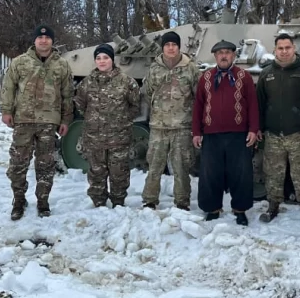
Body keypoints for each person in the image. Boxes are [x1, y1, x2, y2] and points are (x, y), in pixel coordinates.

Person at [0, 24, 74, 220]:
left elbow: (67, 94)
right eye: (40, 38)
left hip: (49, 123)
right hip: (23, 120)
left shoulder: (62, 65)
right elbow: (8, 87)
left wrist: (66, 119)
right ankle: (18, 200)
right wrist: (6, 110)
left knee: (46, 164)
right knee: (18, 163)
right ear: (34, 40)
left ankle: (43, 202)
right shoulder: (20, 62)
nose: (43, 41)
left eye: (47, 38)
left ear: (52, 41)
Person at [192, 40, 259, 225]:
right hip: (211, 134)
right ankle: (212, 208)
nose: (223, 56)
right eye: (220, 53)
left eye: (227, 53)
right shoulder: (205, 78)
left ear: (233, 56)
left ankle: (240, 209)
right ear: (215, 56)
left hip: (238, 134)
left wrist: (253, 129)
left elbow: (253, 105)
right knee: (210, 173)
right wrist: (196, 132)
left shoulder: (244, 77)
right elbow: (198, 106)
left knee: (240, 174)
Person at [256, 33, 300, 224]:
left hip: (298, 133)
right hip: (273, 133)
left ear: (294, 48)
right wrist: (258, 127)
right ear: (275, 50)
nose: (284, 52)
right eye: (280, 48)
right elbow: (260, 103)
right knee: (273, 173)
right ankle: (273, 206)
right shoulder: (267, 73)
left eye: (287, 47)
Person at [74, 44, 140, 208]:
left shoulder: (126, 82)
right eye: (98, 58)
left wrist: (122, 121)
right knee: (96, 173)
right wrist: (94, 120)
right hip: (94, 138)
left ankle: (118, 203)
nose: (102, 61)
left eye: (105, 57)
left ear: (112, 60)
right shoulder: (87, 83)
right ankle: (98, 203)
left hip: (119, 138)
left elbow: (135, 106)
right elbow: (81, 105)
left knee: (119, 174)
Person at [141, 30, 199, 211]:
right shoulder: (155, 68)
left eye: (174, 45)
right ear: (163, 47)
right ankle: (150, 200)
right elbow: (147, 92)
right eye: (167, 45)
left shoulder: (190, 67)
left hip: (182, 125)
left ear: (179, 47)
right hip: (159, 125)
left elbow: (198, 95)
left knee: (181, 167)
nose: (171, 48)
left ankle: (182, 202)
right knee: (154, 165)